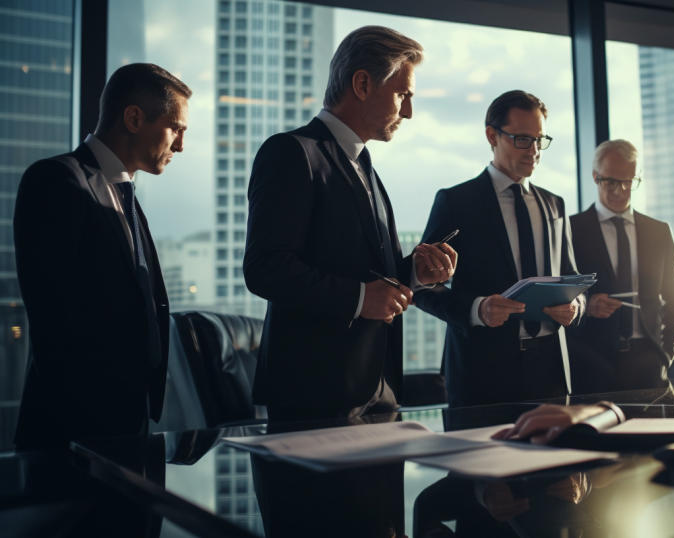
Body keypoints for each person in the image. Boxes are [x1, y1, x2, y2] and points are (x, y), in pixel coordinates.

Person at [244, 26, 457, 422]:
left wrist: (415, 272)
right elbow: (265, 269)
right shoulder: (291, 153)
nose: (408, 111)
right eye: (402, 95)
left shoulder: (367, 168)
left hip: (380, 395)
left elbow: (374, 276)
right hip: (313, 396)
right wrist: (359, 298)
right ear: (362, 83)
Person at [13, 63, 190, 449]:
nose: (180, 145)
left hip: (130, 425)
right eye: (176, 128)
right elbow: (53, 320)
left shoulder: (124, 194)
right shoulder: (56, 181)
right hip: (74, 432)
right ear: (133, 117)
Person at [415, 90, 585, 407]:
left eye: (540, 139)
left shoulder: (554, 204)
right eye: (522, 139)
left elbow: (571, 278)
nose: (534, 150)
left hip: (549, 372)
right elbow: (422, 289)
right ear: (492, 135)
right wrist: (477, 309)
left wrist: (576, 308)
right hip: (481, 373)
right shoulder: (456, 202)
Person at [568, 139, 674, 394]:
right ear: (595, 177)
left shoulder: (658, 231)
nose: (621, 190)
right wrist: (587, 305)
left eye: (629, 182)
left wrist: (665, 354)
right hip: (591, 361)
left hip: (649, 361)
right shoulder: (570, 230)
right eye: (611, 182)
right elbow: (561, 292)